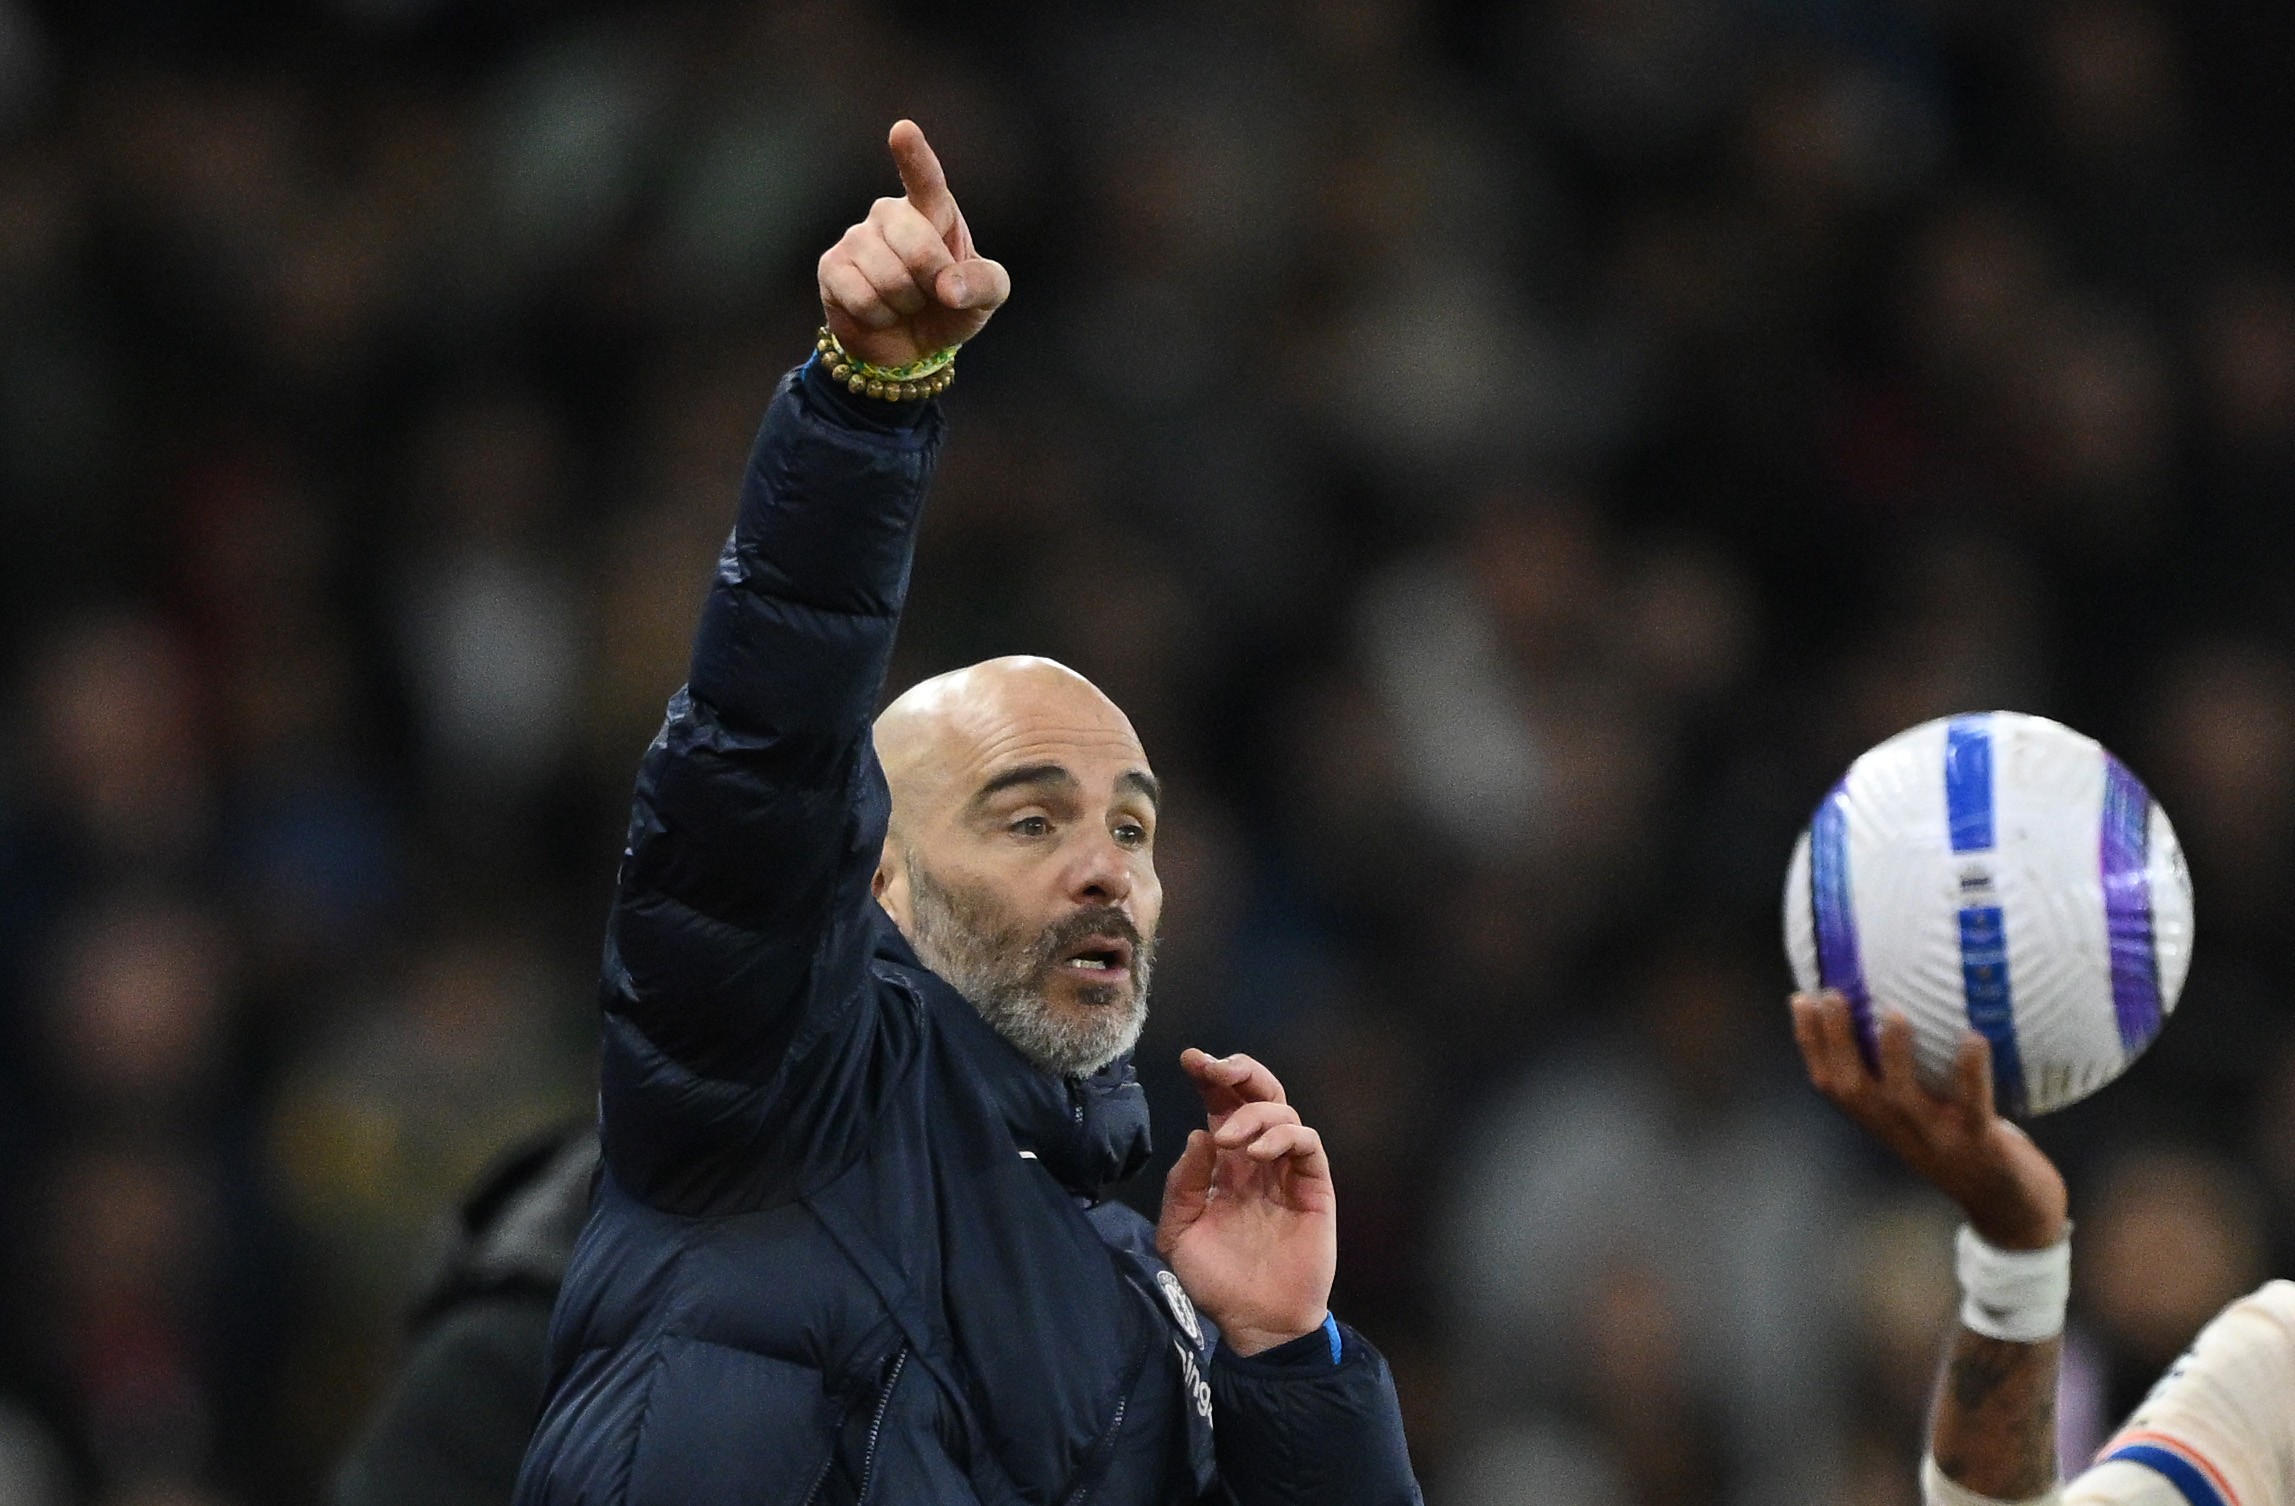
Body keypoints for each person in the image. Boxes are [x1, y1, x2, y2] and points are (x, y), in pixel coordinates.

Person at [511, 122, 1421, 1506]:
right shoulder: (766, 1091)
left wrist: (1282, 1358)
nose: (1105, 869)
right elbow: (758, 757)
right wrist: (866, 410)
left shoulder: (1150, 1305)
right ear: (870, 881)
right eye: (1026, 818)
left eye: (1130, 829)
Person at [1792, 990, 2295, 1506]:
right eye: (2144, 1229)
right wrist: (2016, 1258)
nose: (2159, 1261)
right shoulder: (2277, 1365)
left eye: (2187, 1236)